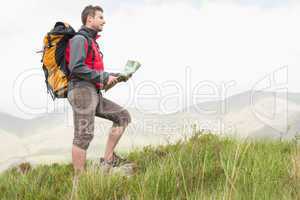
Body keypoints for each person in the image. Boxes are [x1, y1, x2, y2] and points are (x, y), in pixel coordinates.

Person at [66, 5, 131, 174]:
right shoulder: (80, 39)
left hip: (93, 92)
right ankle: (78, 184)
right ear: (90, 19)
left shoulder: (92, 41)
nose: (104, 21)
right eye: (100, 17)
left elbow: (93, 70)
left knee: (122, 116)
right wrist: (103, 77)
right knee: (83, 136)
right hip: (81, 92)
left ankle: (108, 159)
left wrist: (117, 76)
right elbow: (76, 67)